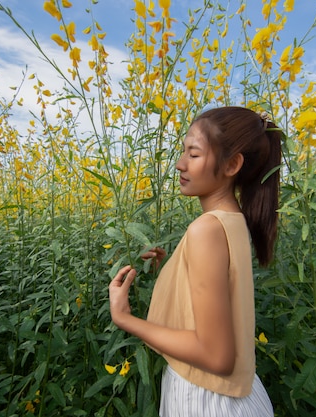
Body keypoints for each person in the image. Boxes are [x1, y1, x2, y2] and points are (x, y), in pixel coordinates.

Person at [108, 106, 281, 417]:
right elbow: (220, 290)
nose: (179, 164)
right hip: (236, 397)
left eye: (194, 154)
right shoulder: (232, 220)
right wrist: (174, 267)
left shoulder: (207, 229)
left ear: (232, 164)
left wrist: (125, 319)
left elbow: (216, 356)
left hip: (206, 400)